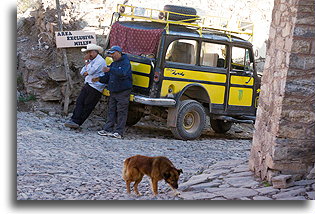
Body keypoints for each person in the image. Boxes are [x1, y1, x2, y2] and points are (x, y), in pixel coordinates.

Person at [92, 46, 132, 139]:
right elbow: (108, 76)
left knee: (121, 111)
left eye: (113, 53)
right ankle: (107, 129)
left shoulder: (126, 62)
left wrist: (110, 70)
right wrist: (99, 79)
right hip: (113, 90)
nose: (111, 56)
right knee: (111, 110)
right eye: (110, 54)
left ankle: (119, 132)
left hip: (123, 91)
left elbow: (122, 73)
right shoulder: (114, 63)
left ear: (118, 52)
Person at [64, 44, 107, 129]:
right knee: (80, 102)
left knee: (87, 105)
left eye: (90, 52)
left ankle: (78, 122)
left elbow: (90, 71)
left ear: (95, 52)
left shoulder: (100, 61)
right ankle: (74, 120)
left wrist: (87, 65)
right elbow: (82, 72)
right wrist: (87, 69)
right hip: (89, 84)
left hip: (96, 87)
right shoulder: (92, 61)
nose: (88, 54)